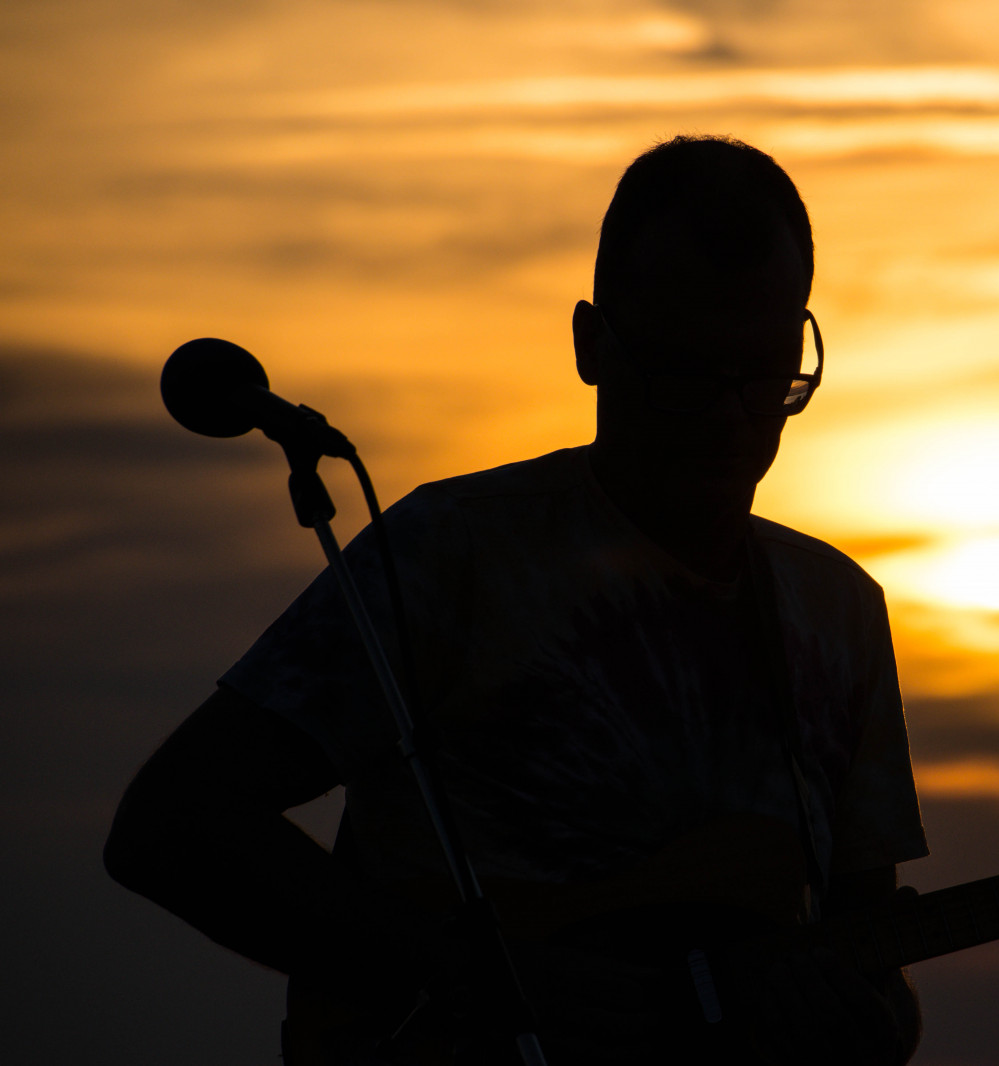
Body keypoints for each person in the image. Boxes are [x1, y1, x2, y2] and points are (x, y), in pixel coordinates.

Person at [104, 135, 929, 1065]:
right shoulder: (453, 552)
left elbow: (879, 984)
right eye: (684, 373)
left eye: (767, 375)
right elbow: (172, 826)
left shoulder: (840, 613)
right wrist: (458, 975)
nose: (729, 416)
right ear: (590, 343)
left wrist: (862, 1025)